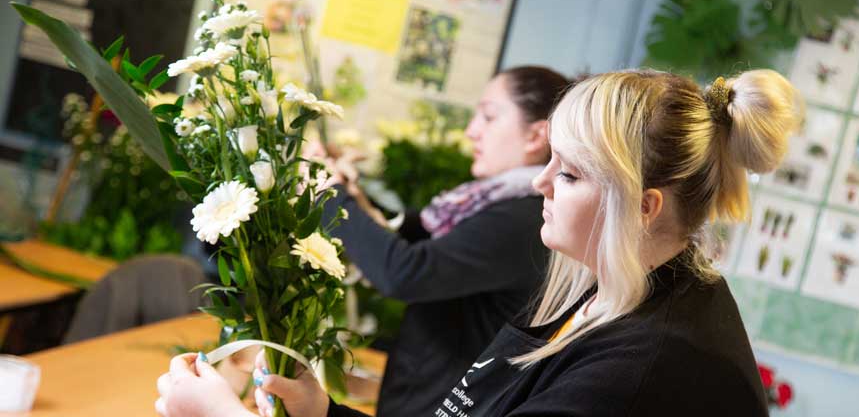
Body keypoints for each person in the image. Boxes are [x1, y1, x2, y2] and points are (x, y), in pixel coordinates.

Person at [156, 68, 804, 417]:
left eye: (570, 173)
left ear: (642, 207)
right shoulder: (601, 295)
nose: (541, 183)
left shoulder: (643, 370)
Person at [155, 66, 571, 417]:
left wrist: (329, 192)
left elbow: (406, 271)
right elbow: (420, 238)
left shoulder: (525, 217)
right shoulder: (496, 202)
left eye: (488, 116)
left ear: (536, 136)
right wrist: (348, 194)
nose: (471, 131)